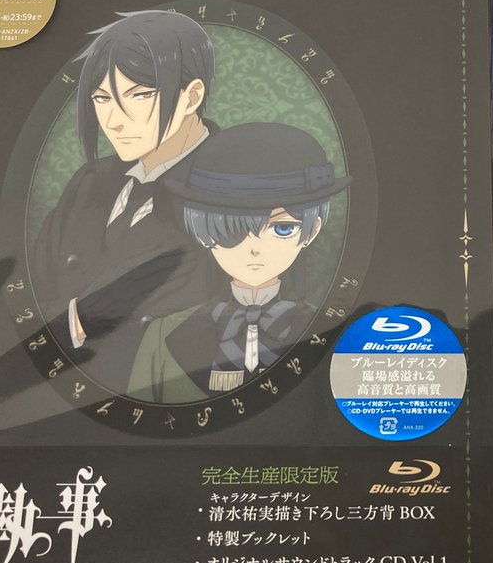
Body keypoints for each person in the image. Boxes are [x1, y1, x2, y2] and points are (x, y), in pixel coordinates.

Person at [31, 10, 219, 393]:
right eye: (102, 98)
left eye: (139, 94)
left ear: (192, 96)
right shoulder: (89, 182)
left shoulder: (240, 183)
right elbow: (34, 289)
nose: (113, 120)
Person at [128, 122, 349, 403]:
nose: (255, 249)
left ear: (312, 231)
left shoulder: (333, 331)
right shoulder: (163, 334)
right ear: (203, 234)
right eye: (229, 231)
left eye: (282, 229)